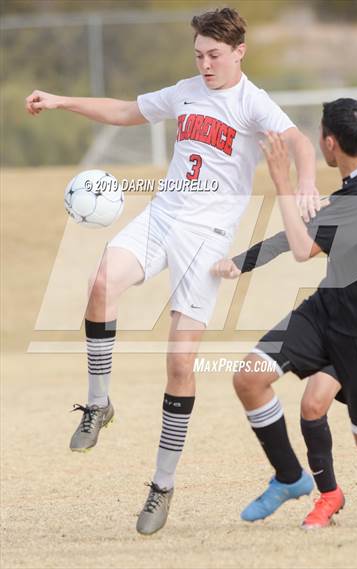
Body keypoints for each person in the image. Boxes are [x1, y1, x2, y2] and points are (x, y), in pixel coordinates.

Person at [25, 7, 319, 535]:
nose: (205, 64)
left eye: (214, 55)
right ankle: (97, 403)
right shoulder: (186, 90)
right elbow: (124, 111)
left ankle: (161, 486)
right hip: (161, 217)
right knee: (100, 283)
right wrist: (62, 100)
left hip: (206, 243)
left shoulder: (253, 103)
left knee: (180, 365)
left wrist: (306, 184)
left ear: (238, 52)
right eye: (199, 54)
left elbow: (298, 141)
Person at [218, 98, 357, 542]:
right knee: (250, 377)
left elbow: (300, 247)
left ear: (330, 143)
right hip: (328, 308)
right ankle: (291, 477)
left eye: (320, 136)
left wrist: (282, 181)